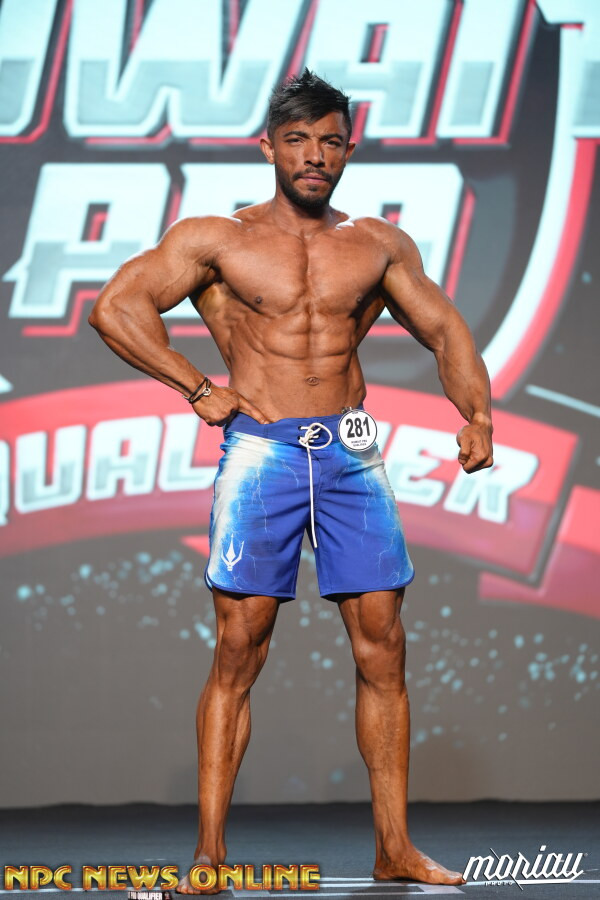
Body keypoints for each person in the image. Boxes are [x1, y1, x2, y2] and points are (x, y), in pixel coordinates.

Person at [89, 69, 493, 893]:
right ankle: (209, 858)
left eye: (330, 141)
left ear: (349, 150)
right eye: (299, 140)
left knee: (384, 648)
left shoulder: (376, 244)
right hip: (261, 453)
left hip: (348, 452)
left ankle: (394, 848)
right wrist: (196, 386)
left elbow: (445, 328)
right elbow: (116, 307)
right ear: (268, 147)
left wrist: (478, 415)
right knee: (240, 647)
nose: (315, 155)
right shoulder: (217, 239)